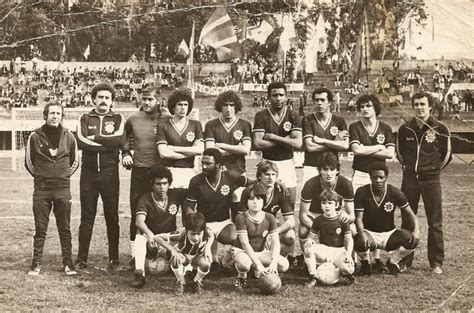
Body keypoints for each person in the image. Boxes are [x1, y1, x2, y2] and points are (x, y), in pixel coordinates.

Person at [396, 92, 451, 274]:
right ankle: (405, 260)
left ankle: (436, 263)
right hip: (410, 180)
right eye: (416, 104)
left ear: (430, 107)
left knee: (435, 222)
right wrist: (411, 170)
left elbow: (446, 155)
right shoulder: (405, 129)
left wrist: (432, 170)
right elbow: (400, 154)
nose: (419, 107)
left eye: (422, 104)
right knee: (408, 220)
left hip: (431, 180)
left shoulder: (440, 128)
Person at [75, 82, 126, 271]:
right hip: (88, 174)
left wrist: (95, 137)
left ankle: (114, 259)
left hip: (110, 174)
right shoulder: (85, 117)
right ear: (93, 98)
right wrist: (108, 145)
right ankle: (81, 259)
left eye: (107, 98)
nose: (103, 101)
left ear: (112, 101)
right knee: (87, 217)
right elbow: (80, 141)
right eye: (100, 97)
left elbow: (120, 140)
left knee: (112, 216)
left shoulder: (118, 118)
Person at [25, 102, 79, 276]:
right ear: (45, 115)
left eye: (58, 113)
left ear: (62, 116)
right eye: (51, 113)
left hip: (63, 188)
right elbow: (29, 162)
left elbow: (75, 162)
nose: (55, 116)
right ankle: (36, 264)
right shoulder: (34, 136)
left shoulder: (69, 136)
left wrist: (62, 176)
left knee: (65, 228)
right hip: (41, 189)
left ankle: (68, 264)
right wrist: (43, 177)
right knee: (40, 228)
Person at [122, 86, 171, 269]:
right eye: (144, 99)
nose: (146, 102)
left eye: (150, 99)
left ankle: (166, 251)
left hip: (160, 170)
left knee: (164, 212)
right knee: (137, 211)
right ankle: (135, 255)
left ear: (158, 100)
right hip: (140, 170)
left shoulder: (167, 116)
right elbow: (124, 137)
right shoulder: (134, 118)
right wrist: (125, 153)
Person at [183, 148, 250, 270]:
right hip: (204, 223)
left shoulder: (231, 177)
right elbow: (189, 207)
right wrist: (195, 226)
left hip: (223, 223)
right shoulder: (196, 181)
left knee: (236, 237)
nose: (203, 166)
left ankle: (226, 260)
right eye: (202, 163)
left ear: (219, 165)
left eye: (208, 163)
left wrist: (277, 183)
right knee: (204, 264)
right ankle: (207, 259)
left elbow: (254, 183)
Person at [354, 162, 420, 276]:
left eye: (381, 177)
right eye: (375, 178)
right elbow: (358, 218)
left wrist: (417, 230)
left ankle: (393, 262)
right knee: (359, 240)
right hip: (370, 233)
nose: (378, 180)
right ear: (370, 178)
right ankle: (366, 263)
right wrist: (362, 234)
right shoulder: (362, 192)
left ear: (386, 177)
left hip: (389, 234)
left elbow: (410, 214)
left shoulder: (395, 192)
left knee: (411, 239)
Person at [131, 166, 186, 288]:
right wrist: (150, 234)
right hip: (151, 241)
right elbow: (139, 222)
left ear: (169, 183)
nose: (162, 187)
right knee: (140, 238)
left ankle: (188, 271)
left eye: (165, 183)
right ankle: (139, 273)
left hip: (168, 239)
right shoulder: (145, 198)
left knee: (183, 247)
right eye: (158, 184)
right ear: (152, 184)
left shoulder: (176, 194)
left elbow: (193, 192)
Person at [298, 152, 354, 268]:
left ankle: (351, 258)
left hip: (335, 215)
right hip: (315, 215)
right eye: (325, 169)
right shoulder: (310, 184)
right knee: (303, 230)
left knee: (353, 230)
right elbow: (303, 215)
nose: (329, 173)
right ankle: (307, 259)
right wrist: (319, 226)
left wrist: (346, 218)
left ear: (337, 170)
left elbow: (351, 215)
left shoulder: (345, 184)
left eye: (332, 169)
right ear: (319, 170)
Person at [252, 82, 302, 209]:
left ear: (286, 96)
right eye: (275, 95)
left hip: (287, 163)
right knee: (264, 205)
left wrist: (274, 137)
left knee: (289, 204)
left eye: (281, 95)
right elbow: (258, 143)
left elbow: (297, 143)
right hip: (268, 163)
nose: (278, 98)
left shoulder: (293, 115)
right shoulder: (261, 115)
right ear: (268, 97)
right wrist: (286, 140)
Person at [232, 184, 290, 291]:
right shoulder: (241, 217)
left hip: (261, 252)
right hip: (243, 251)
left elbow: (275, 242)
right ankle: (242, 277)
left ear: (263, 200)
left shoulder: (269, 217)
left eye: (258, 198)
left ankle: (260, 272)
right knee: (244, 265)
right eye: (251, 198)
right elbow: (245, 244)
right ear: (246, 202)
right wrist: (259, 264)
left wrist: (273, 263)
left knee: (283, 265)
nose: (255, 201)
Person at [240, 161, 295, 257]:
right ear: (259, 176)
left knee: (290, 236)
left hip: (270, 224)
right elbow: (241, 218)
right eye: (267, 174)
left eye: (273, 174)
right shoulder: (250, 191)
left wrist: (275, 231)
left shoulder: (280, 191)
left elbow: (291, 221)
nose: (271, 178)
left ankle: (276, 259)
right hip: (251, 225)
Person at [303, 190, 355, 287]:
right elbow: (312, 236)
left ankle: (344, 274)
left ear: (336, 205)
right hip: (324, 250)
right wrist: (310, 240)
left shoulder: (342, 219)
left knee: (349, 268)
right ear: (320, 205)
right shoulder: (318, 220)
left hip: (338, 251)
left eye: (330, 203)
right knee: (307, 247)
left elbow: (349, 239)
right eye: (324, 203)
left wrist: (348, 254)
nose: (327, 206)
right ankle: (313, 276)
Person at [154, 212, 214, 295]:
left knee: (206, 263)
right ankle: (181, 282)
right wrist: (172, 250)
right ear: (186, 230)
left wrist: (207, 248)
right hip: (184, 256)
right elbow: (156, 237)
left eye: (199, 234)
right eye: (192, 234)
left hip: (197, 256)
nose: (196, 237)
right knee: (175, 259)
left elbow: (212, 236)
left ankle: (196, 281)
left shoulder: (206, 231)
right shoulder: (181, 233)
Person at [156, 89, 203, 188]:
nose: (183, 108)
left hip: (189, 171)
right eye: (179, 104)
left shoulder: (195, 125)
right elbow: (164, 153)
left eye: (185, 105)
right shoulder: (163, 125)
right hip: (169, 171)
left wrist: (173, 148)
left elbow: (199, 149)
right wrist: (190, 153)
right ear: (173, 107)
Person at [301, 87, 349, 185]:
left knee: (330, 198)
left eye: (322, 100)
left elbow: (345, 145)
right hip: (311, 165)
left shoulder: (339, 121)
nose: (319, 103)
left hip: (331, 168)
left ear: (330, 102)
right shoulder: (308, 120)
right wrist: (334, 143)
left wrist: (323, 141)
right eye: (316, 100)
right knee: (310, 198)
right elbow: (310, 147)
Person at [349, 94, 395, 192]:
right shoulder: (355, 127)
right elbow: (356, 150)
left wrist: (364, 149)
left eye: (368, 106)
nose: (365, 109)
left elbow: (390, 153)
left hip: (379, 176)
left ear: (375, 108)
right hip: (360, 174)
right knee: (357, 206)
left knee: (377, 205)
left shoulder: (385, 128)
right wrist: (379, 147)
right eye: (362, 107)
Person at [204, 90, 252, 177]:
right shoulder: (211, 125)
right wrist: (237, 149)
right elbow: (210, 151)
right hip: (217, 174)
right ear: (220, 107)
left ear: (236, 106)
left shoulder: (245, 124)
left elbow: (245, 150)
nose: (228, 109)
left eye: (232, 105)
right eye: (225, 105)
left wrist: (220, 145)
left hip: (239, 173)